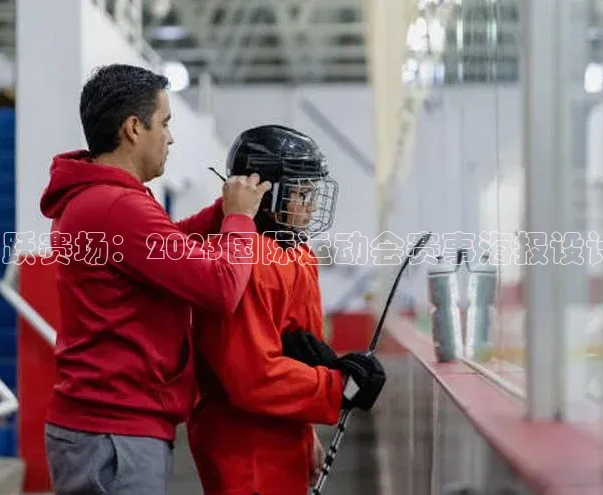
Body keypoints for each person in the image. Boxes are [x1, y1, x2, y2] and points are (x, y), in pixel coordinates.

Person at [39, 63, 271, 495]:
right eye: (164, 123)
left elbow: (162, 247)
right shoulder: (116, 207)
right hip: (115, 436)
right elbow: (221, 289)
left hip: (104, 430)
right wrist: (239, 220)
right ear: (133, 128)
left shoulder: (97, 199)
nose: (170, 136)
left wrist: (221, 212)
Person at [186, 124, 387, 495]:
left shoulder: (299, 255)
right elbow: (251, 378)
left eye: (313, 192)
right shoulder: (244, 260)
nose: (312, 206)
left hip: (283, 437)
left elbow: (298, 353)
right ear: (266, 194)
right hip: (245, 448)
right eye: (302, 193)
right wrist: (335, 387)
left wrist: (306, 428)